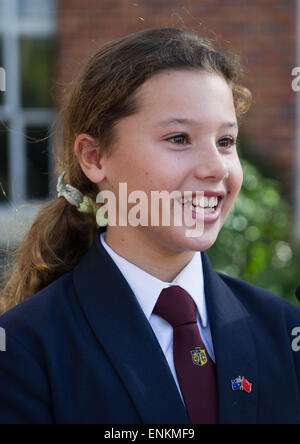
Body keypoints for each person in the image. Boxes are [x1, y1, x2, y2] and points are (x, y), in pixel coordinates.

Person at [0, 26, 300, 425]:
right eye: (179, 138)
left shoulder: (284, 331)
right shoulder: (24, 350)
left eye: (226, 142)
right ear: (94, 157)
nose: (215, 169)